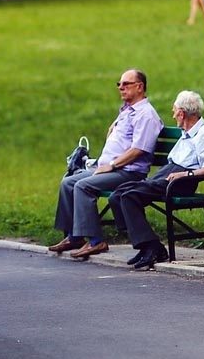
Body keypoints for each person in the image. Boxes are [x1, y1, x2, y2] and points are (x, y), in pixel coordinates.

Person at [49, 69, 164, 259]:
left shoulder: (146, 115)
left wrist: (112, 165)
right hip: (110, 168)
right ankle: (75, 236)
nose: (120, 87)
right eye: (118, 84)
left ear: (139, 86)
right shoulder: (128, 111)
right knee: (68, 182)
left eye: (126, 84)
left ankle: (96, 241)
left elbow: (139, 150)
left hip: (128, 172)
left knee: (83, 186)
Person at [109, 90, 204, 270]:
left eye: (174, 110)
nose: (173, 114)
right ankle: (146, 245)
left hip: (181, 181)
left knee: (130, 196)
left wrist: (185, 175)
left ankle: (153, 248)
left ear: (182, 113)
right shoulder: (187, 132)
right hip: (169, 174)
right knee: (118, 194)